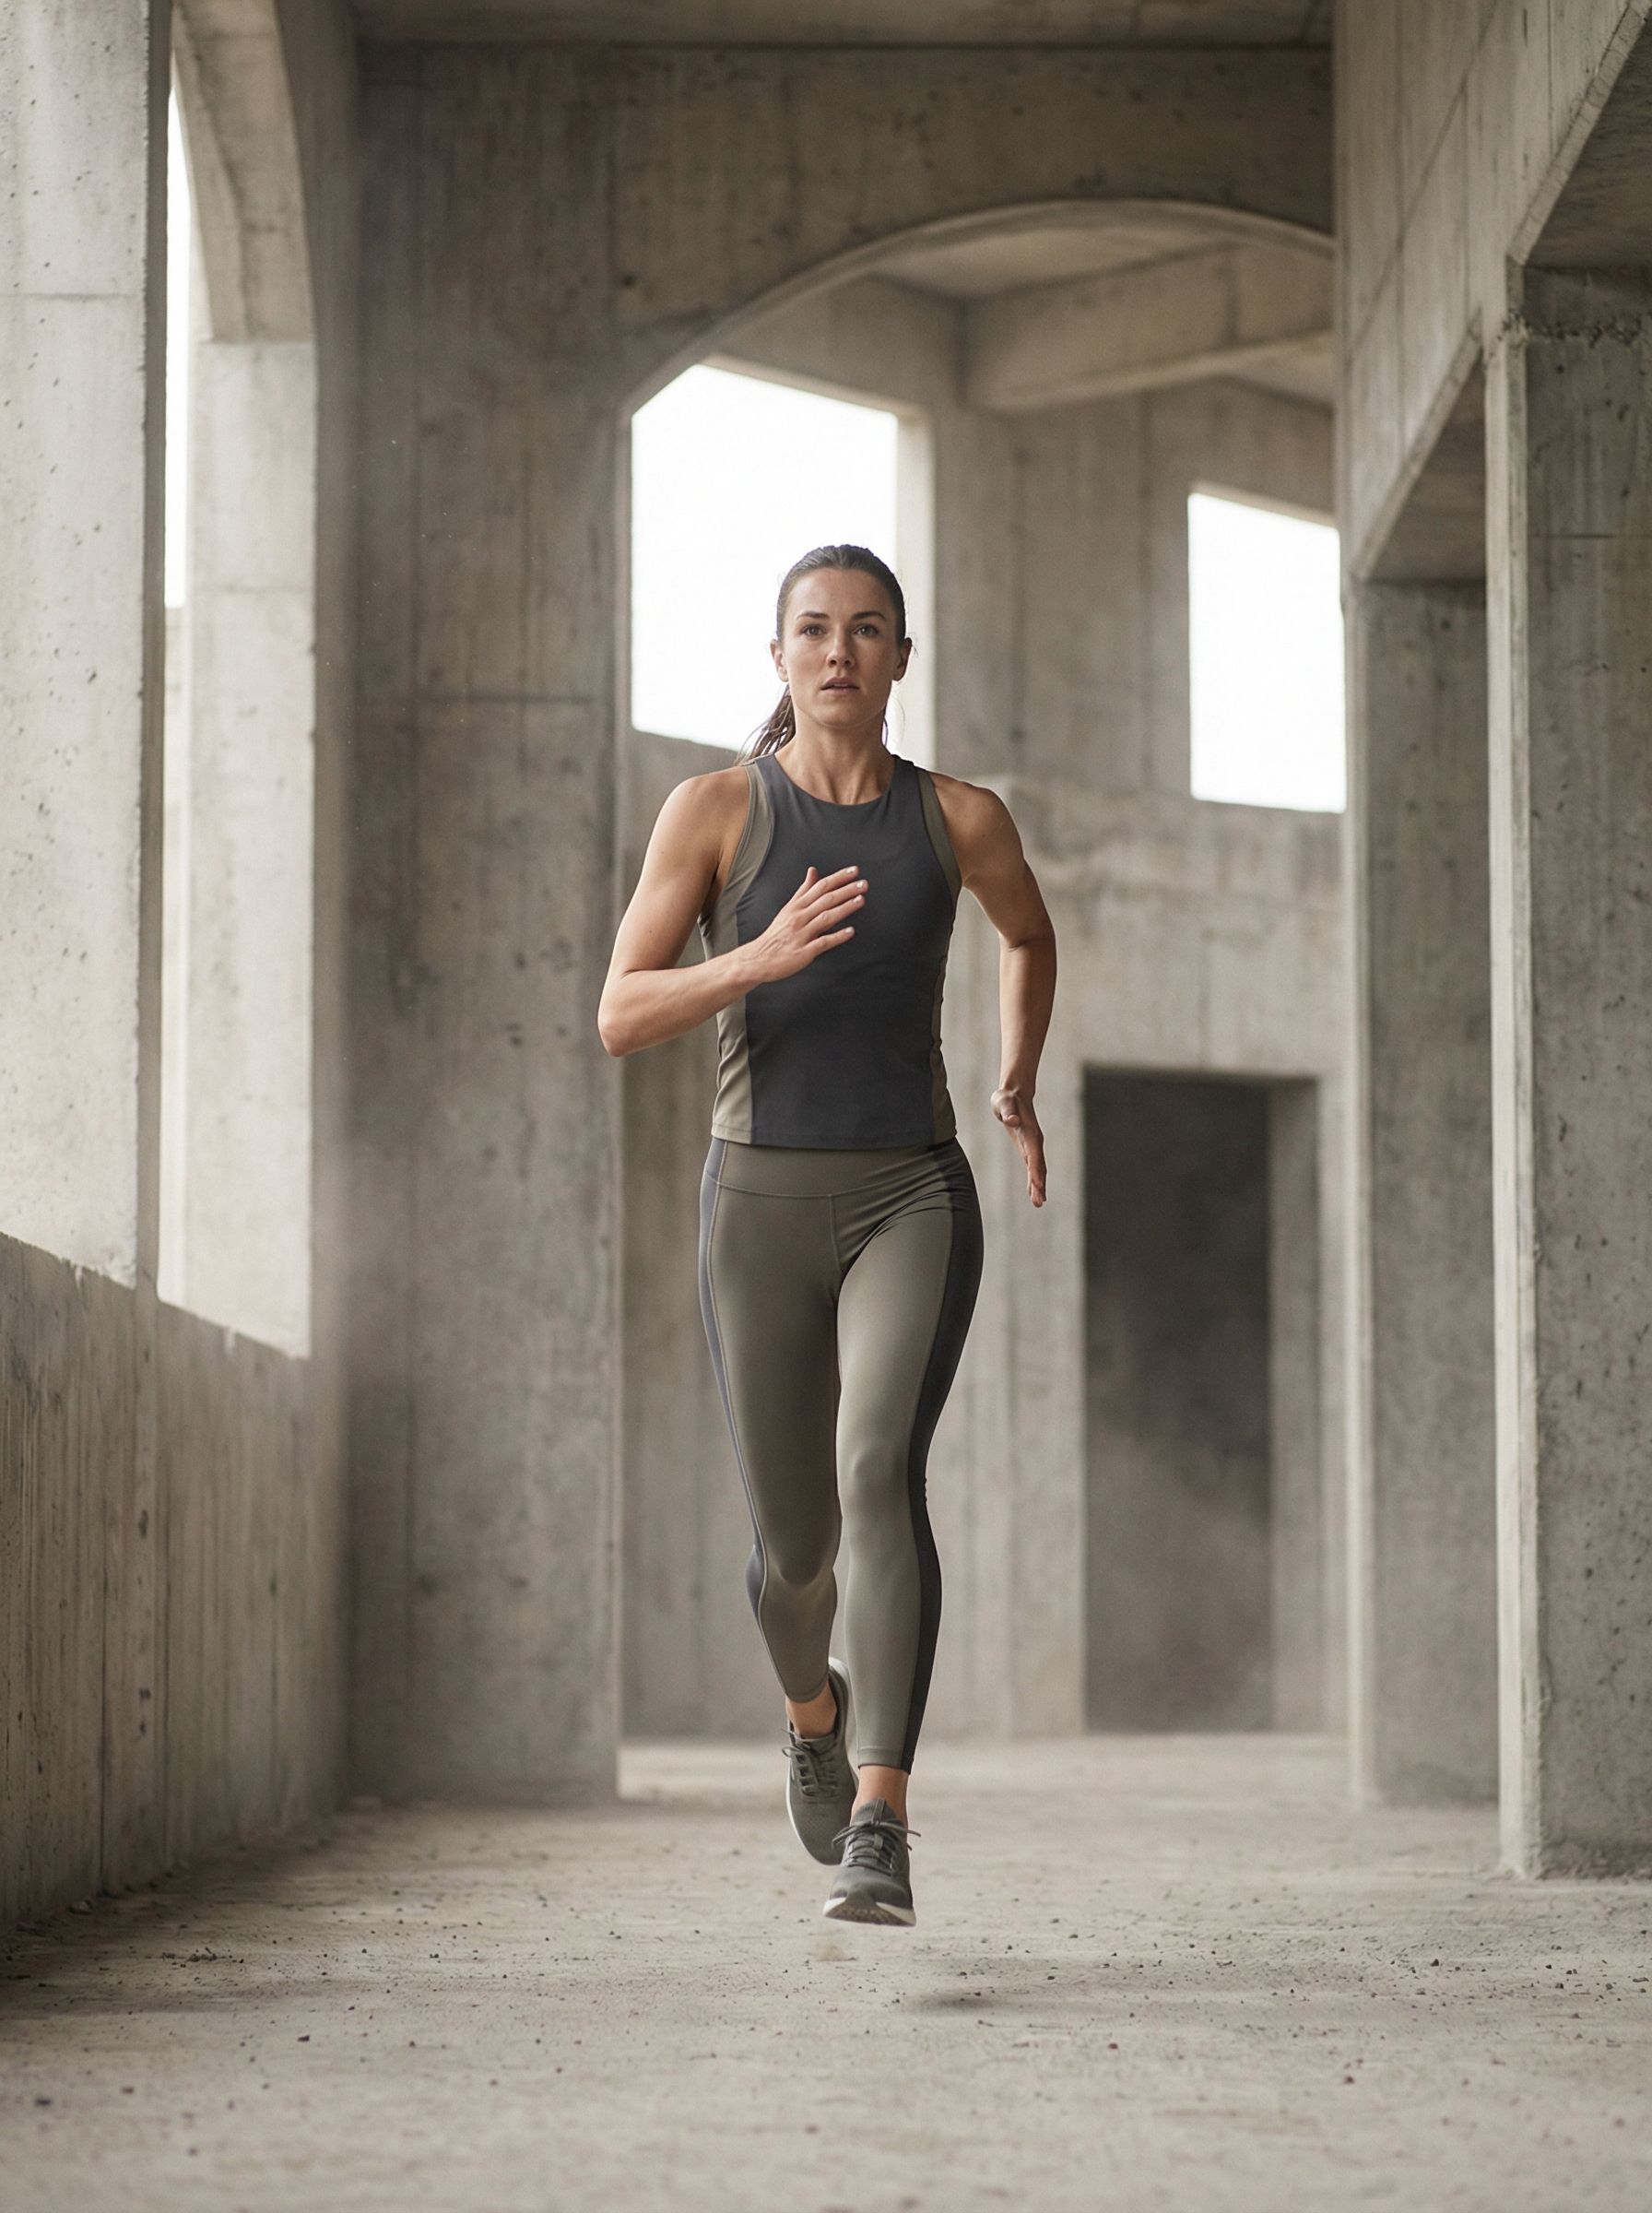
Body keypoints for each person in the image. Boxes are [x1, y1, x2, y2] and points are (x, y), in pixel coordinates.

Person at [598, 543, 1056, 1926]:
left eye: (868, 630)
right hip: (758, 1206)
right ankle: (813, 1709)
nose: (840, 649)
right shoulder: (718, 811)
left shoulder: (960, 817)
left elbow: (1028, 936)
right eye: (815, 628)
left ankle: (882, 1819)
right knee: (794, 1556)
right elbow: (621, 1013)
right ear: (780, 655)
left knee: (878, 1473)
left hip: (912, 1188)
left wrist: (1017, 1075)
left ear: (903, 659)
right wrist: (753, 956)